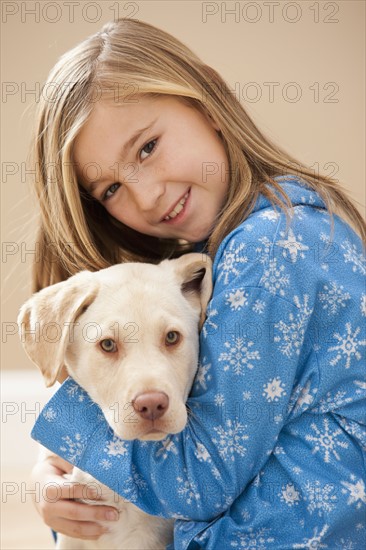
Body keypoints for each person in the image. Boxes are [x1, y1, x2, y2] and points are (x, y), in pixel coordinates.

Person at [28, 18, 365, 548]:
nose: (145, 197)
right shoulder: (237, 248)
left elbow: (199, 478)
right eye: (112, 187)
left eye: (147, 147)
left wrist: (71, 431)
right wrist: (59, 481)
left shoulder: (271, 247)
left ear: (208, 101)